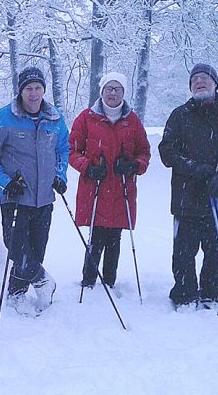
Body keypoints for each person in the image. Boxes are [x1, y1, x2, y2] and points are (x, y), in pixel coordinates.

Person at [0, 66, 70, 316]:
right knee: (16, 246)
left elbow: (63, 149)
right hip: (16, 196)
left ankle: (16, 294)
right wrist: (6, 183)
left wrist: (60, 176)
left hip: (44, 198)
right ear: (20, 91)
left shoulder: (55, 119)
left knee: (36, 249)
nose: (33, 93)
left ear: (44, 90)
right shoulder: (3, 118)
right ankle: (42, 281)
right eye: (28, 88)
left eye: (38, 88)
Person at [158, 63, 218, 307]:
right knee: (184, 251)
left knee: (217, 248)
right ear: (190, 86)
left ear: (215, 83)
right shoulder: (180, 114)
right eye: (195, 79)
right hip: (186, 195)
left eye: (205, 78)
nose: (200, 82)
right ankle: (185, 291)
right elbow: (167, 150)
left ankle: (211, 288)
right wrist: (193, 168)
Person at [69, 72, 151, 290]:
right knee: (96, 236)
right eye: (109, 88)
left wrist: (134, 166)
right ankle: (88, 281)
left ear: (124, 93)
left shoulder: (132, 120)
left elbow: (144, 152)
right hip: (95, 187)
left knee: (115, 236)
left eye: (117, 89)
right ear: (101, 91)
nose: (113, 93)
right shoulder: (86, 117)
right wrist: (88, 166)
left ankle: (110, 282)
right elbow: (72, 151)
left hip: (121, 188)